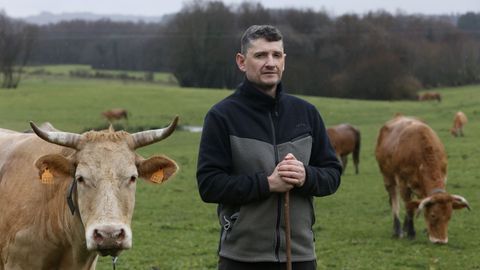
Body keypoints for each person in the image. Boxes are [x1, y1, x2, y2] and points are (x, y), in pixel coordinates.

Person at [196, 24, 342, 270]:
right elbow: (209, 185)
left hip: (300, 256)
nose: (270, 62)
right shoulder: (222, 116)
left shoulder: (306, 113)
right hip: (241, 258)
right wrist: (267, 184)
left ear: (284, 60)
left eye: (276, 55)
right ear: (242, 62)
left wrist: (306, 176)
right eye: (261, 55)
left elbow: (332, 174)